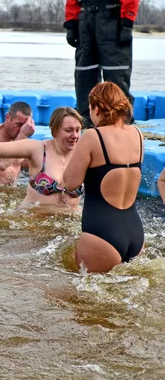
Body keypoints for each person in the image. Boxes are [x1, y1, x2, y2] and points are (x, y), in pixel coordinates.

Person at [64, 0, 140, 126]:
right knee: (84, 75)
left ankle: (121, 120)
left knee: (117, 75)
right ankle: (86, 120)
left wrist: (127, 23)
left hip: (113, 26)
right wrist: (71, 25)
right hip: (86, 28)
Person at [63, 82, 144, 273]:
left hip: (101, 234)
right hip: (135, 232)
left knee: (83, 300)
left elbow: (70, 183)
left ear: (97, 108)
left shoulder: (92, 136)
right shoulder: (138, 134)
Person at [0, 107, 83, 209]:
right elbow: (0, 148)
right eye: (68, 130)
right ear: (54, 131)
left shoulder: (83, 154)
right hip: (33, 221)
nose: (74, 135)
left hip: (67, 221)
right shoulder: (38, 149)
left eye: (78, 130)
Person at [0, 101, 35, 185]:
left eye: (25, 126)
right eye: (19, 124)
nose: (22, 129)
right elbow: (1, 164)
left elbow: (31, 165)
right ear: (7, 117)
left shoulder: (21, 140)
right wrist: (22, 135)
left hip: (11, 191)